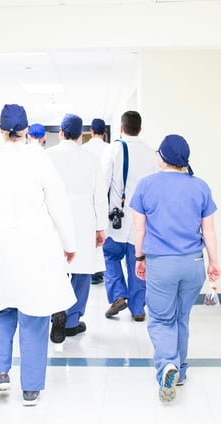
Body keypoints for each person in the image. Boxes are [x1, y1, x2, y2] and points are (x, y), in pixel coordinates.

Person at [0, 104, 77, 407]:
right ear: (26, 130)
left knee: (0, 310)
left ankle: (2, 372)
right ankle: (30, 388)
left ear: (0, 131)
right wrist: (69, 242)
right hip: (34, 251)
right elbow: (59, 204)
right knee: (34, 316)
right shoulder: (40, 160)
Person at [129, 134, 221, 403]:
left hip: (162, 264)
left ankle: (167, 365)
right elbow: (209, 230)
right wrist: (214, 262)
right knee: (181, 317)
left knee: (160, 319)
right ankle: (179, 372)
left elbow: (139, 229)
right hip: (193, 264)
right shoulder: (200, 186)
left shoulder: (146, 186)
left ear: (162, 157)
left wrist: (139, 258)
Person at [46, 114, 107, 343]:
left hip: (54, 220)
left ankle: (56, 309)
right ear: (82, 135)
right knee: (82, 271)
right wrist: (101, 228)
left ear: (61, 132)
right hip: (84, 220)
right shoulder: (91, 159)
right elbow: (100, 197)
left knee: (55, 268)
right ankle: (71, 321)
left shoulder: (47, 156)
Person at [101, 110, 158, 322]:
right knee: (138, 261)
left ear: (121, 129)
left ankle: (118, 295)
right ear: (140, 129)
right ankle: (138, 309)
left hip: (116, 219)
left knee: (110, 257)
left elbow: (103, 184)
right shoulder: (151, 153)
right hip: (141, 222)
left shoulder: (114, 149)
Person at [83, 118, 109, 285]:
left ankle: (92, 273)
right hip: (104, 195)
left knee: (88, 233)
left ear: (91, 131)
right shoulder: (110, 148)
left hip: (87, 197)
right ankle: (101, 271)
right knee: (103, 233)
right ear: (104, 133)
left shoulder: (83, 149)